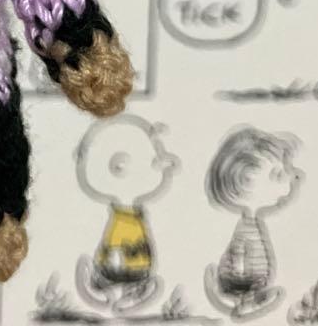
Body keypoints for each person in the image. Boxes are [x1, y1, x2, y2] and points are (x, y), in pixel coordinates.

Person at [74, 115, 180, 314]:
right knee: (112, 265)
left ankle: (132, 294)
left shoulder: (133, 214)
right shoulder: (121, 212)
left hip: (137, 265)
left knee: (134, 268)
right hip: (111, 263)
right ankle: (108, 291)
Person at [205, 127, 303, 320]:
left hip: (253, 282)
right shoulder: (248, 227)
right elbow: (239, 253)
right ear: (246, 182)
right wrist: (241, 277)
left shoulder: (253, 223)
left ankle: (246, 300)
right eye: (277, 175)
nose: (287, 180)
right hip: (242, 281)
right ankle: (241, 301)